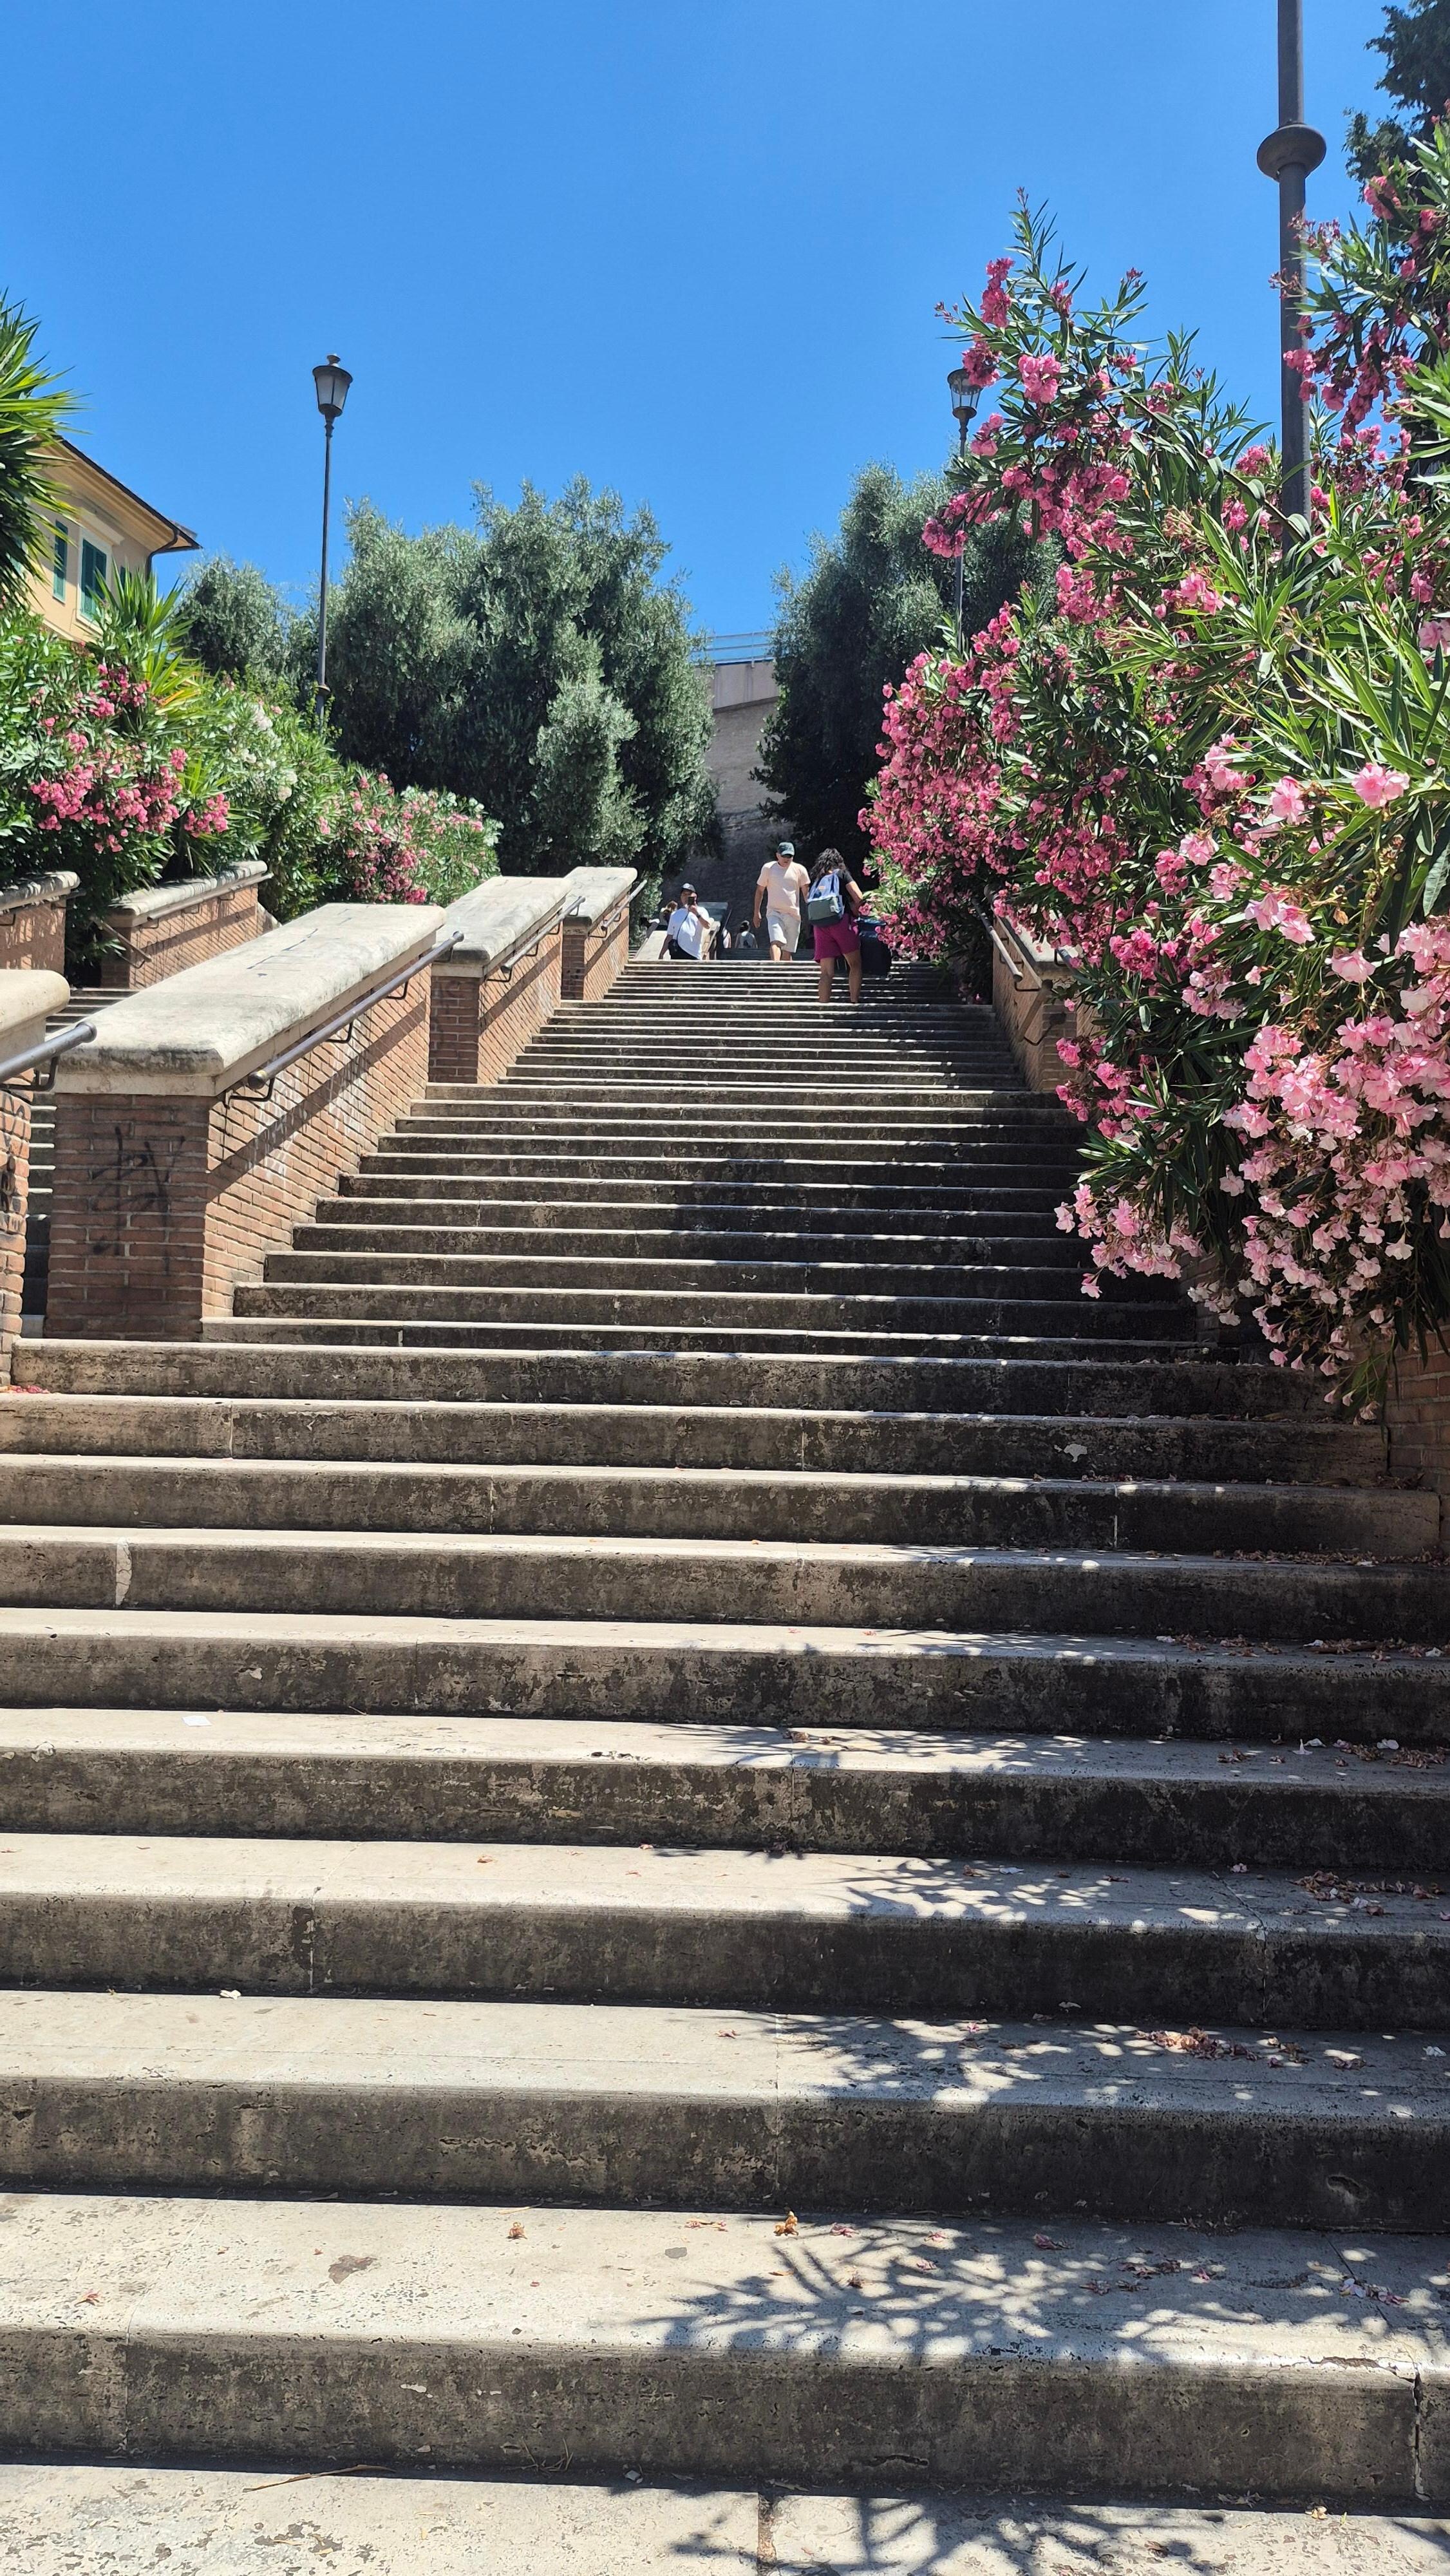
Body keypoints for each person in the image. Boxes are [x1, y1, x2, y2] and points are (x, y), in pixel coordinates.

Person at [807, 846, 865, 1003]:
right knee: (855, 964)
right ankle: (854, 1002)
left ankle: (823, 1006)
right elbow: (859, 897)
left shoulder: (818, 879)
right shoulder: (842, 874)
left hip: (820, 926)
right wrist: (856, 911)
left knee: (826, 972)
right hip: (841, 922)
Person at [753, 838, 809, 962]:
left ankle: (784, 972)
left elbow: (806, 892)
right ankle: (776, 968)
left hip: (793, 914)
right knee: (776, 941)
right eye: (784, 856)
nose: (787, 859)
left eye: (790, 856)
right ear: (777, 855)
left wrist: (812, 909)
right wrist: (757, 912)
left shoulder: (800, 870)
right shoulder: (768, 868)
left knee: (787, 952)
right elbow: (760, 890)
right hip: (774, 912)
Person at [665, 885, 715, 961]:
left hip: (693, 953)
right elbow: (670, 935)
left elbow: (707, 926)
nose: (686, 897)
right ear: (681, 897)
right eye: (684, 895)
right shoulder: (675, 914)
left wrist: (696, 913)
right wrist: (662, 953)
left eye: (689, 894)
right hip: (677, 952)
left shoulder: (702, 911)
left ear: (695, 897)